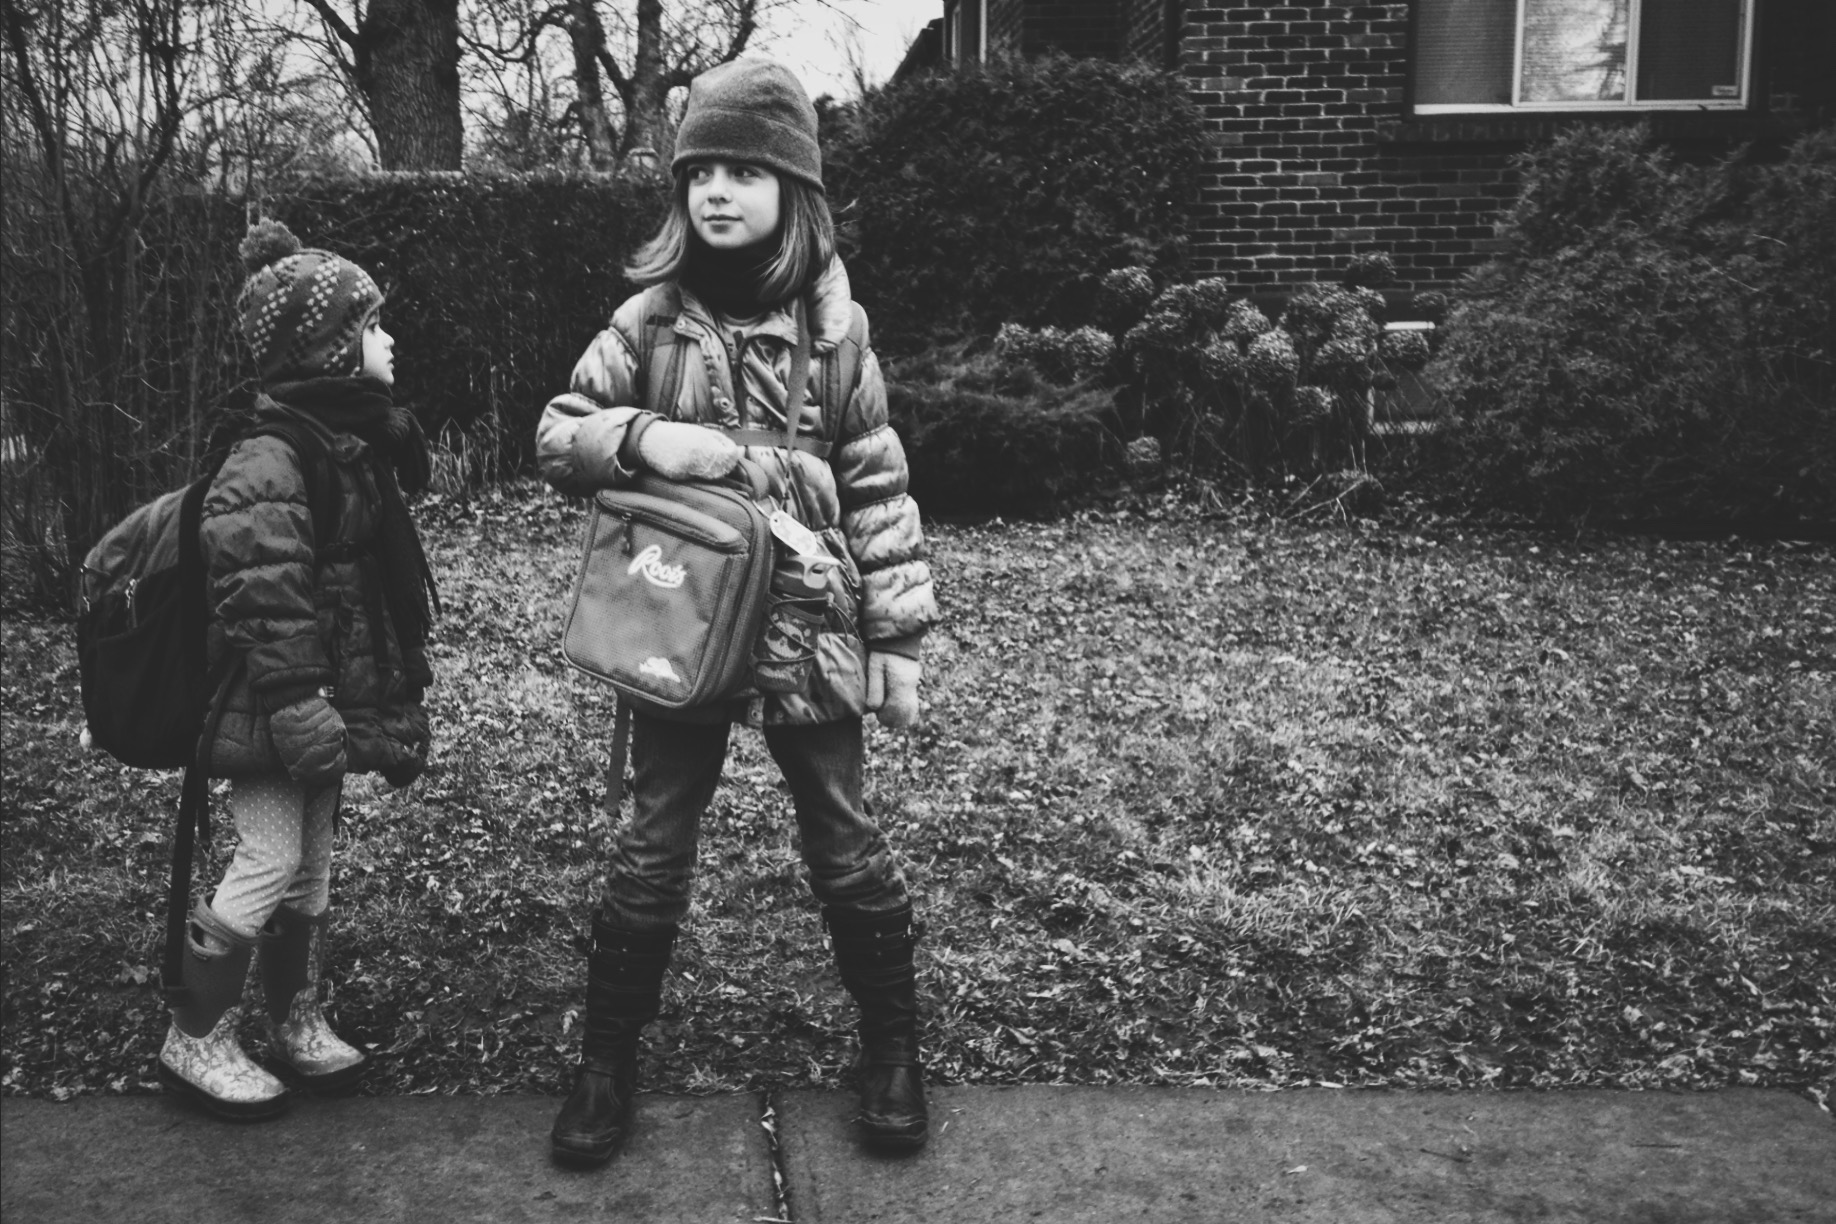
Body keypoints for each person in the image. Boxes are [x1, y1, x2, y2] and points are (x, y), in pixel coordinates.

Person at [536, 58, 938, 1166]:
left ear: (793, 190)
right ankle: (606, 1061)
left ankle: (892, 1047)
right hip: (682, 622)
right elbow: (558, 430)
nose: (716, 189)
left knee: (844, 836)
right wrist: (643, 439)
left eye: (744, 170)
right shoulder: (650, 324)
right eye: (700, 169)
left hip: (811, 622)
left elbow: (878, 489)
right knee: (653, 839)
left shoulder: (838, 332)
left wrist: (898, 641)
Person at [156, 220, 439, 1120]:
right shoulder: (271, 455)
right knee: (270, 854)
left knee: (310, 864)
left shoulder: (344, 443)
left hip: (319, 699)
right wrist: (301, 703)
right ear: (332, 350)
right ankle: (194, 1036)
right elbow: (264, 597)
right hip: (270, 704)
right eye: (375, 327)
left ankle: (296, 1019)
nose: (390, 342)